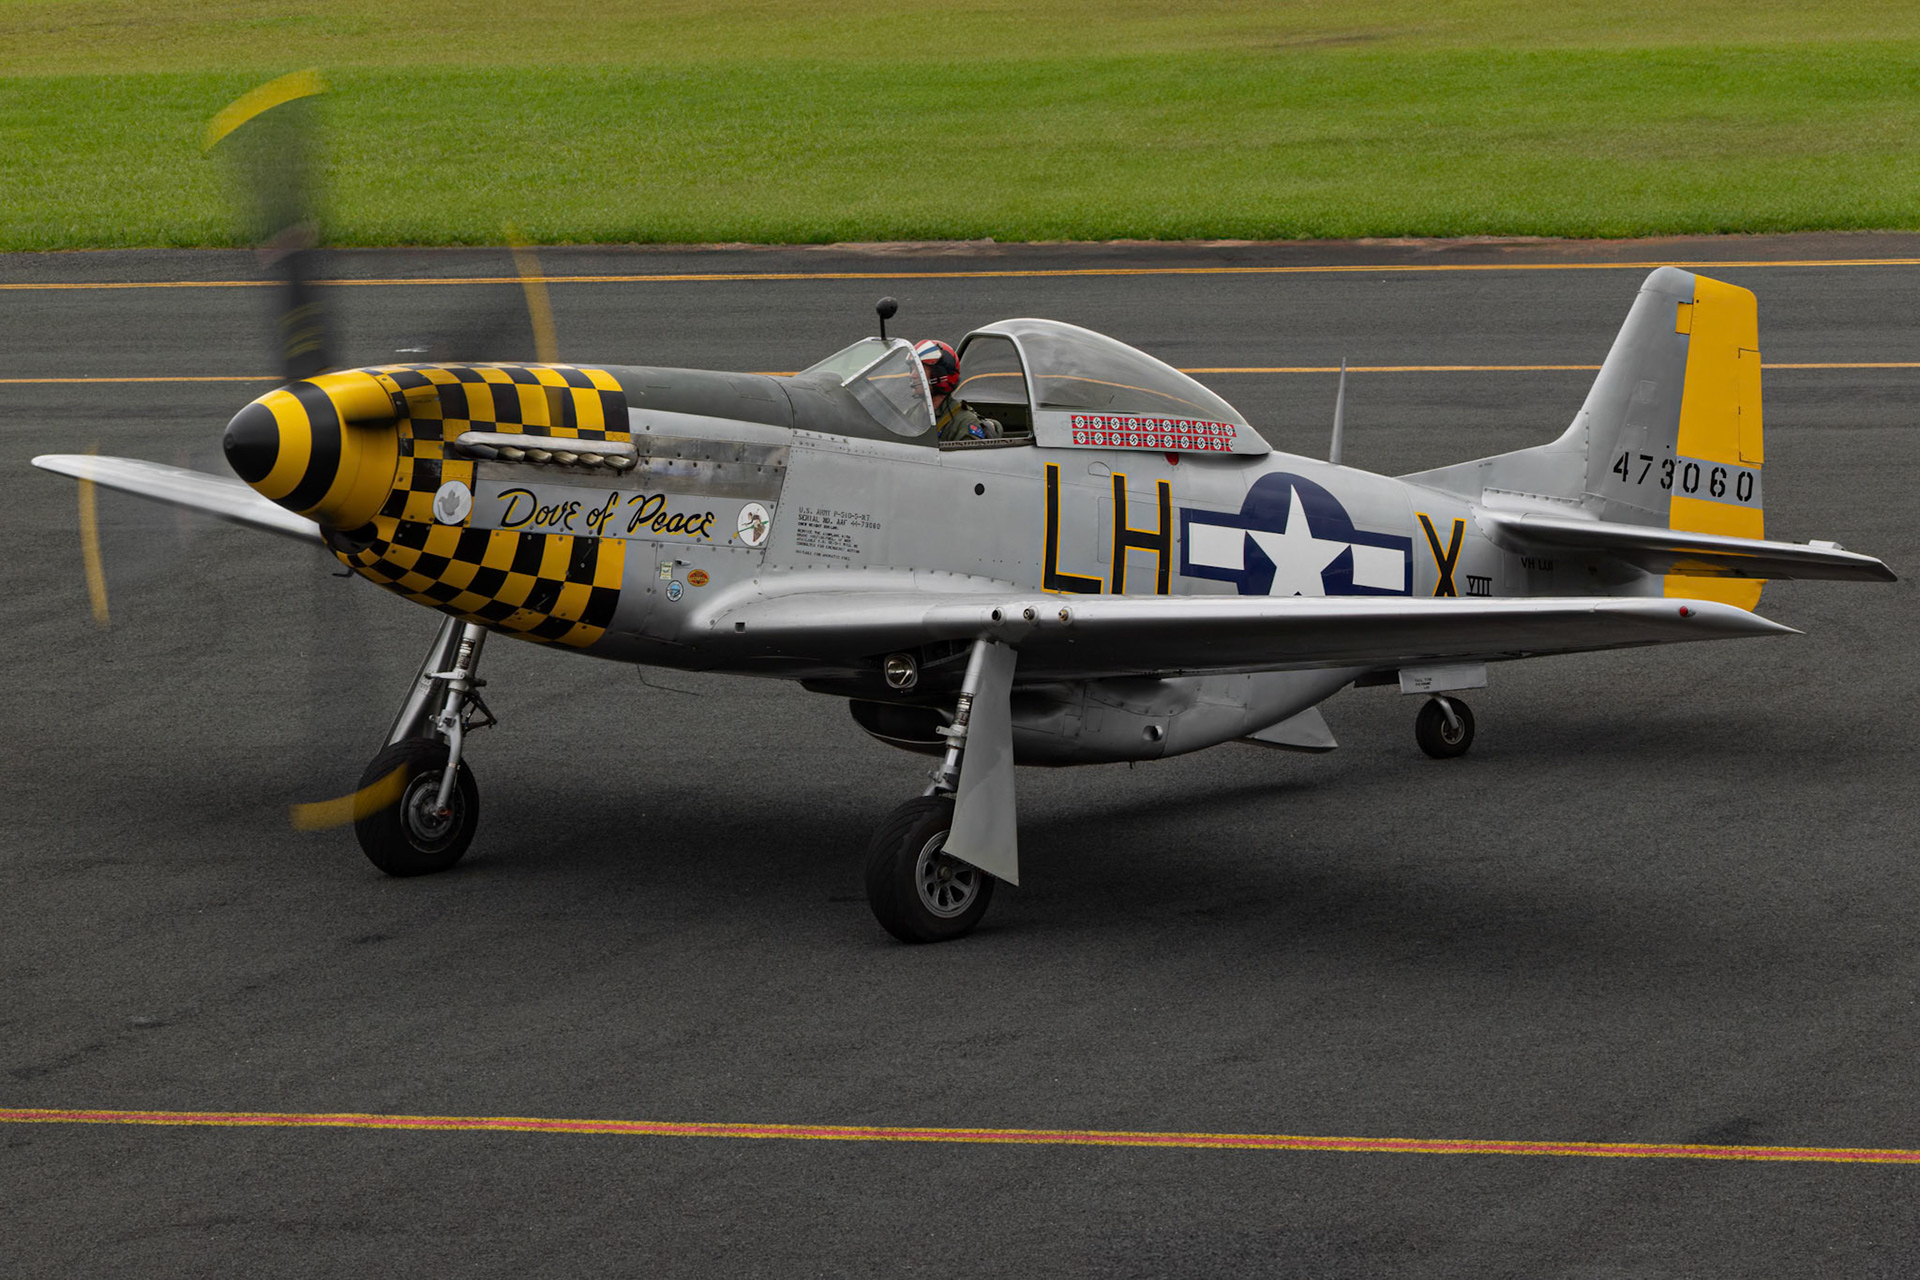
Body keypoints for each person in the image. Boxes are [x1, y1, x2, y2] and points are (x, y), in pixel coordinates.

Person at [914, 339, 1003, 442]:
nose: (913, 375)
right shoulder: (911, 415)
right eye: (912, 369)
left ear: (939, 374)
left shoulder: (963, 423)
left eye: (920, 370)